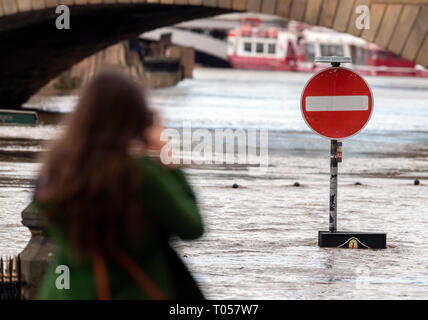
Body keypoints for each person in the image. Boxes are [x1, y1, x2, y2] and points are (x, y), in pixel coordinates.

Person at [34, 71, 204, 299]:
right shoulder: (140, 176)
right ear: (136, 119)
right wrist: (167, 159)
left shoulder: (54, 171)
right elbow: (192, 226)